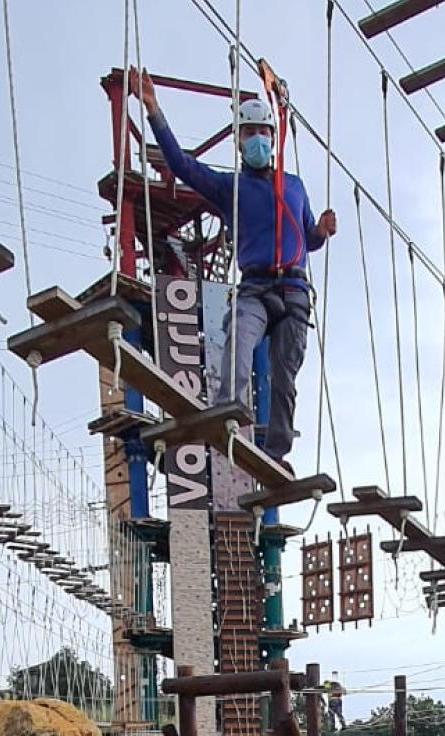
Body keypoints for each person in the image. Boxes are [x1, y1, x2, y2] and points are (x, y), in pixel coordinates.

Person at [128, 67, 337, 471]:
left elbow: (305, 237)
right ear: (239, 142)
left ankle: (276, 452)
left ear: (273, 139)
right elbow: (182, 165)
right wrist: (154, 111)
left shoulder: (293, 186)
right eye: (248, 133)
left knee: (284, 376)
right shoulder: (231, 189)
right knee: (239, 343)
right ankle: (227, 412)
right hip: (256, 287)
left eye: (263, 131)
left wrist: (323, 232)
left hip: (294, 290)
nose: (257, 138)